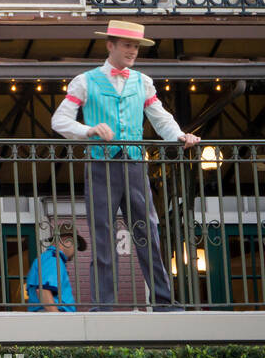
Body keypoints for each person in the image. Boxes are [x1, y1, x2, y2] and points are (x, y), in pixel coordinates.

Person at [51, 20, 200, 310]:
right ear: (111, 45)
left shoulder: (143, 81)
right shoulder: (84, 80)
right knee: (103, 237)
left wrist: (180, 136)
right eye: (127, 45)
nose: (132, 51)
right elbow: (59, 120)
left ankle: (164, 301)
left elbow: (160, 117)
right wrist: (89, 130)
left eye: (136, 46)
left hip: (134, 165)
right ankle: (103, 305)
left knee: (149, 233)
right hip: (100, 166)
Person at [26, 224, 87, 312]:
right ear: (66, 240)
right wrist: (58, 319)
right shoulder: (54, 259)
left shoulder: (48, 258)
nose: (75, 250)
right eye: (76, 244)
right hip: (52, 317)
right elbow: (43, 291)